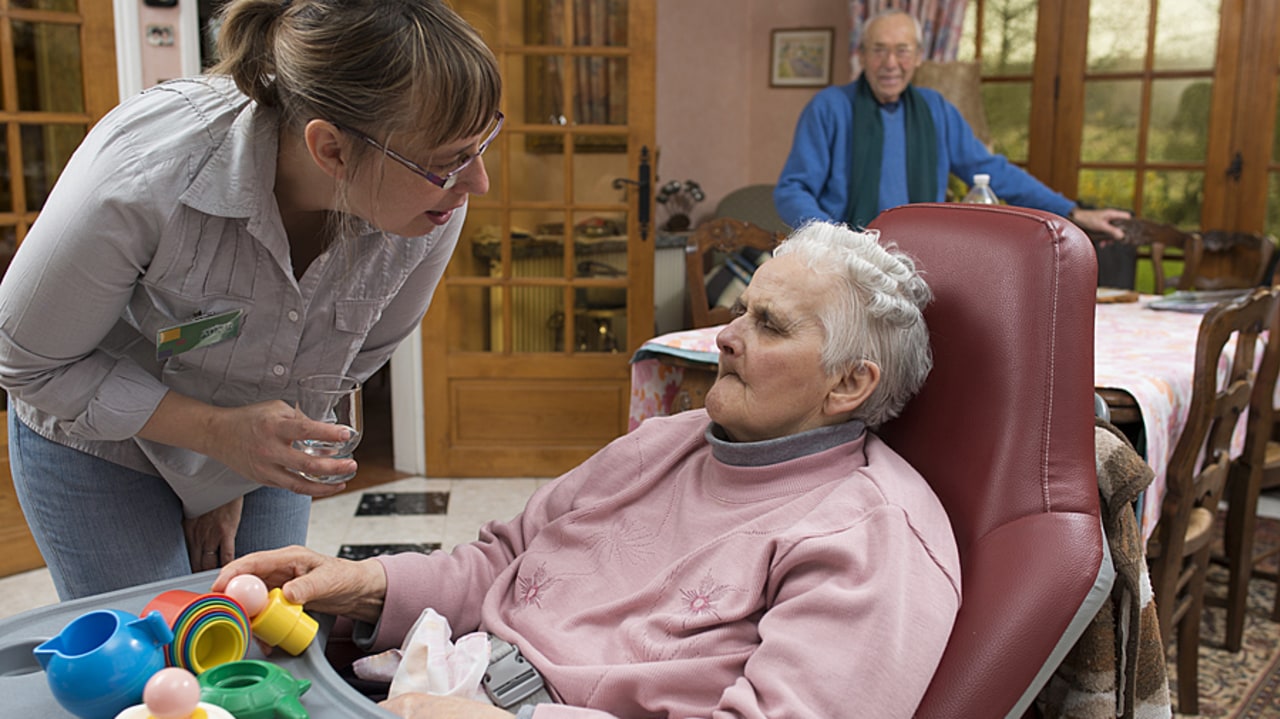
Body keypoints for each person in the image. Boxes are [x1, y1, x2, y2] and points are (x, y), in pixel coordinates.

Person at [213, 220, 962, 719]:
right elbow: (504, 558)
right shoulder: (672, 439)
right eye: (743, 309)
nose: (725, 337)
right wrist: (366, 584)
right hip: (440, 685)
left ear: (849, 384)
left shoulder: (871, 538)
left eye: (768, 325)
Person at [0, 0, 502, 600]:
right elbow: (27, 361)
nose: (477, 182)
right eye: (449, 161)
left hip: (259, 434)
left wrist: (225, 479)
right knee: (157, 655)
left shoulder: (432, 204)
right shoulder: (148, 169)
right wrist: (217, 437)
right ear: (333, 151)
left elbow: (351, 361)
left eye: (480, 145)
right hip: (100, 439)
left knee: (263, 644)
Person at [774, 10, 1129, 240]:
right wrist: (836, 239)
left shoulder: (936, 110)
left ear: (918, 57)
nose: (890, 63)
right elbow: (791, 190)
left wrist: (1072, 211)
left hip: (921, 258)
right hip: (845, 261)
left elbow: (992, 171)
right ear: (862, 55)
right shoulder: (829, 107)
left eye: (903, 50)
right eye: (879, 50)